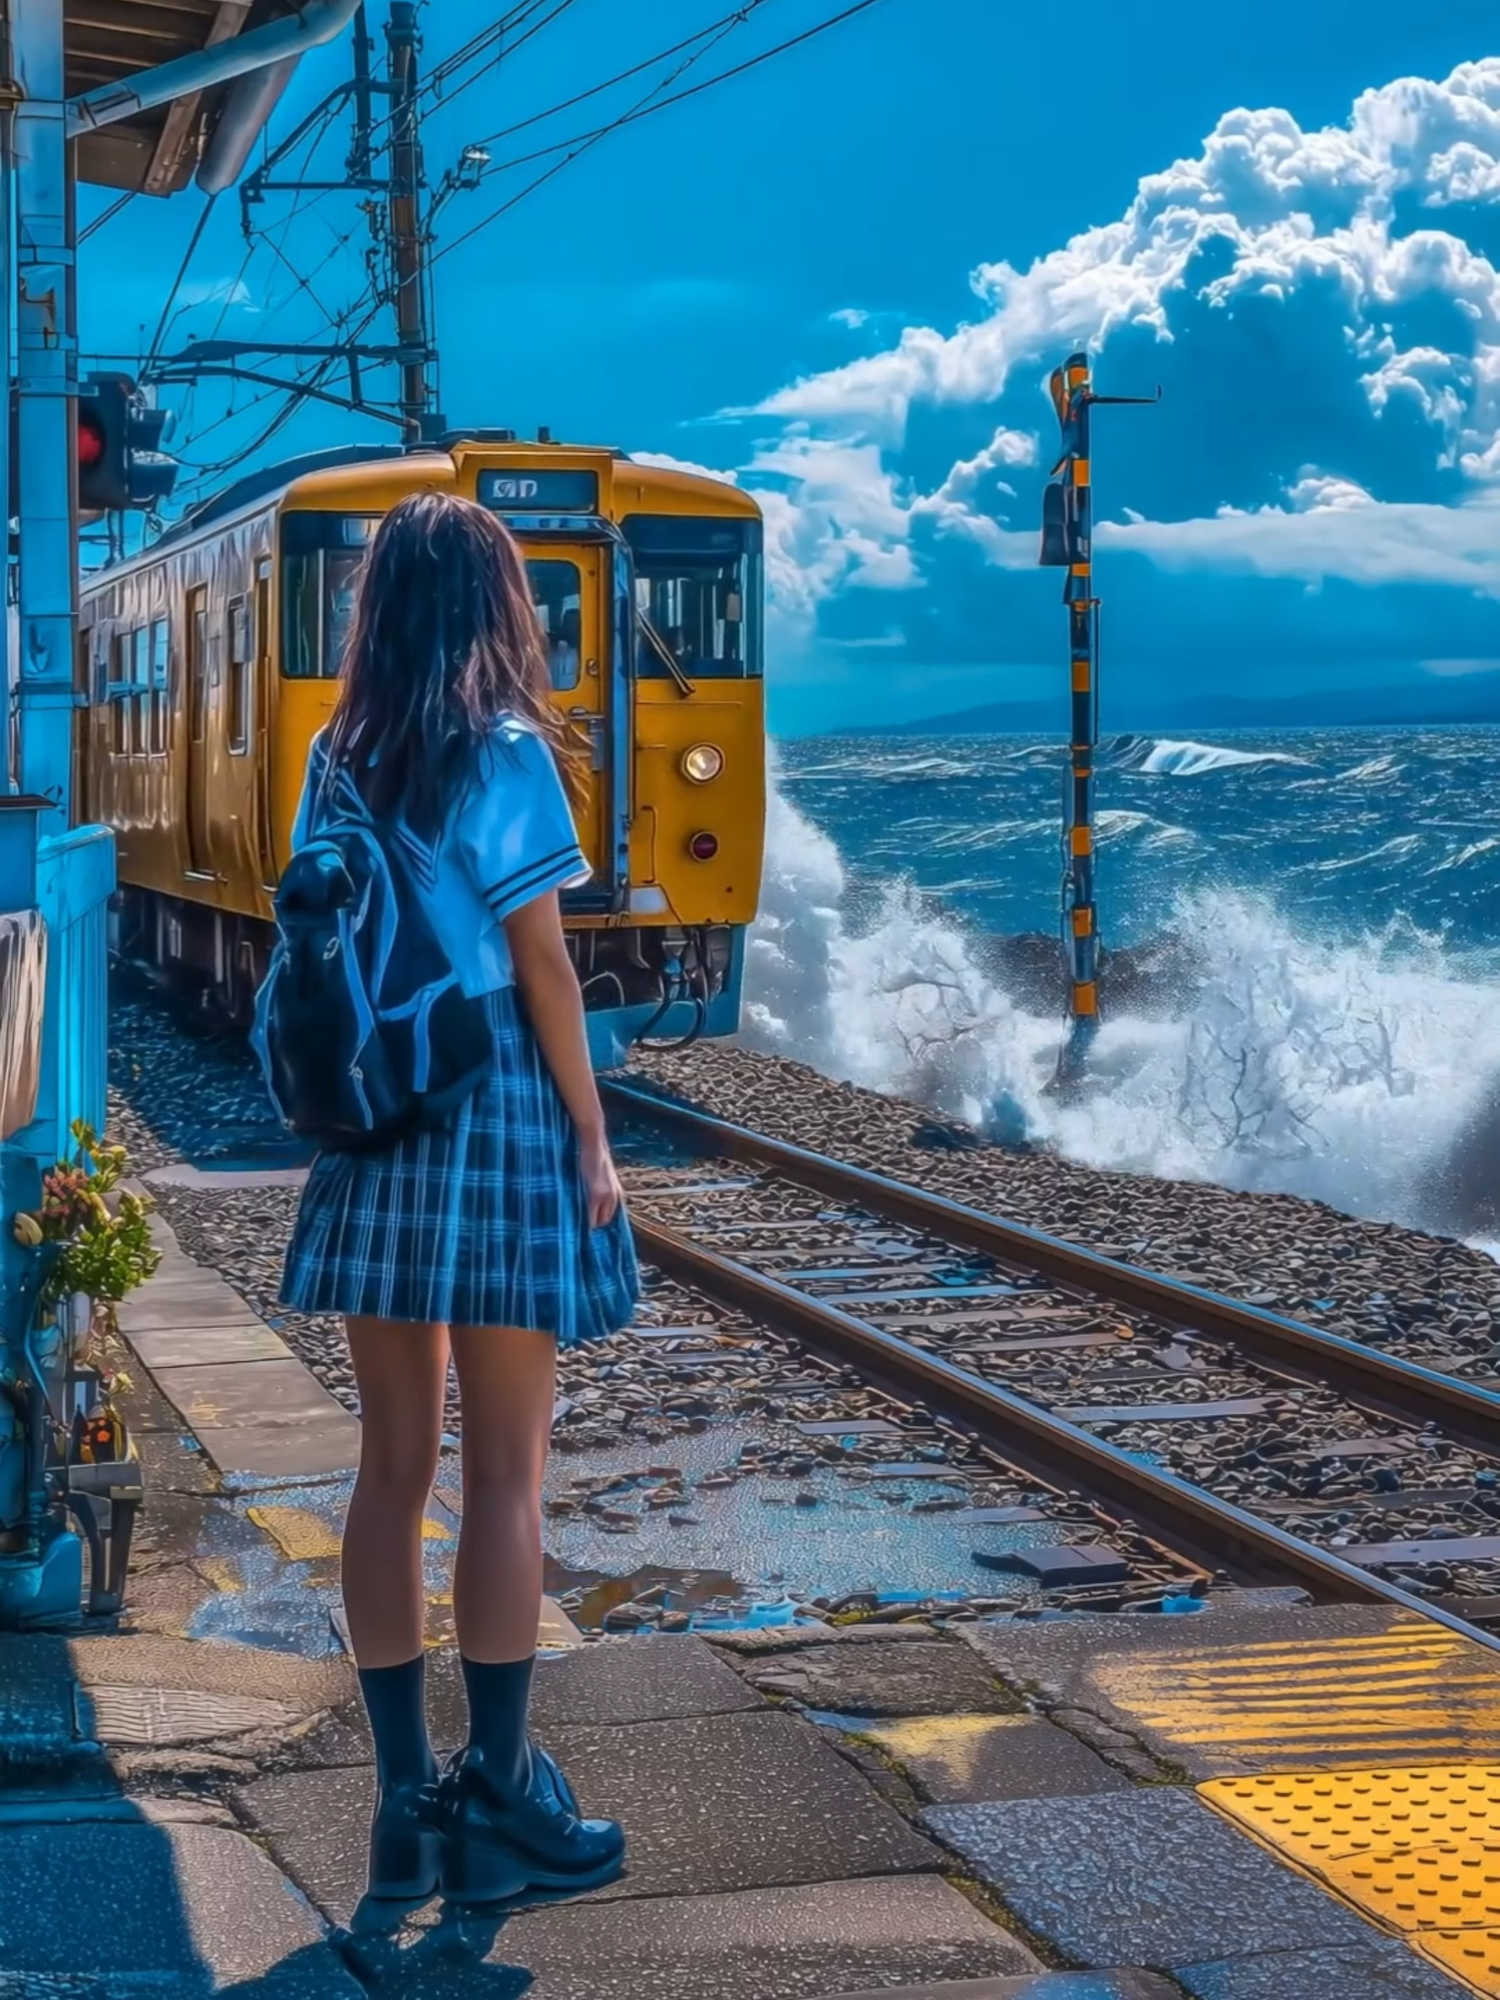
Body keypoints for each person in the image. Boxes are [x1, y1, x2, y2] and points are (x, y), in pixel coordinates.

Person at [276, 490, 638, 1924]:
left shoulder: (335, 754)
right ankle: (502, 1792)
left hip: (375, 1120)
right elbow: (545, 967)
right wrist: (594, 1139)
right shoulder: (504, 749)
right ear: (494, 608)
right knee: (504, 1478)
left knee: (390, 1470)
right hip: (490, 1113)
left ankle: (397, 1803)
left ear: (377, 615)